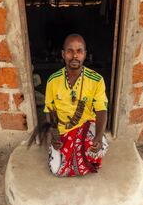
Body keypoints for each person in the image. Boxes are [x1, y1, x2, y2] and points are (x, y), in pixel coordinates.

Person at [44, 34, 109, 177]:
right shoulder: (53, 81)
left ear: (85, 54)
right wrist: (54, 135)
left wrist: (98, 136)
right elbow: (50, 110)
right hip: (63, 130)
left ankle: (85, 149)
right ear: (63, 54)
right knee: (57, 171)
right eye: (69, 51)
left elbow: (101, 110)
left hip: (85, 126)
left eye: (79, 51)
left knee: (99, 146)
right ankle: (67, 154)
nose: (74, 56)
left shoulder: (97, 80)